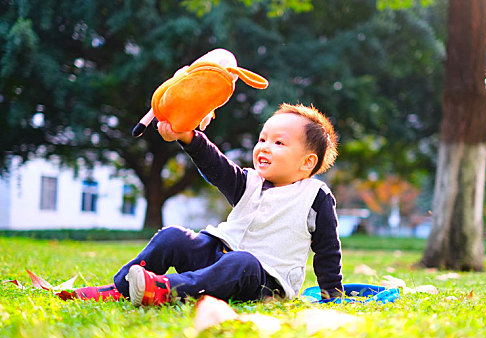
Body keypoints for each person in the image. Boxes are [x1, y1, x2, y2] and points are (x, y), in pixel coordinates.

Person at [71, 103, 343, 305]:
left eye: (279, 142)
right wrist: (187, 135)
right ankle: (122, 287)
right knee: (172, 236)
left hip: (264, 281)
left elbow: (327, 250)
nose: (265, 147)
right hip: (218, 257)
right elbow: (215, 165)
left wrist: (332, 296)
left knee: (242, 262)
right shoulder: (248, 182)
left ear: (307, 162)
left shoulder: (315, 197)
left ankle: (168, 289)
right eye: (262, 139)